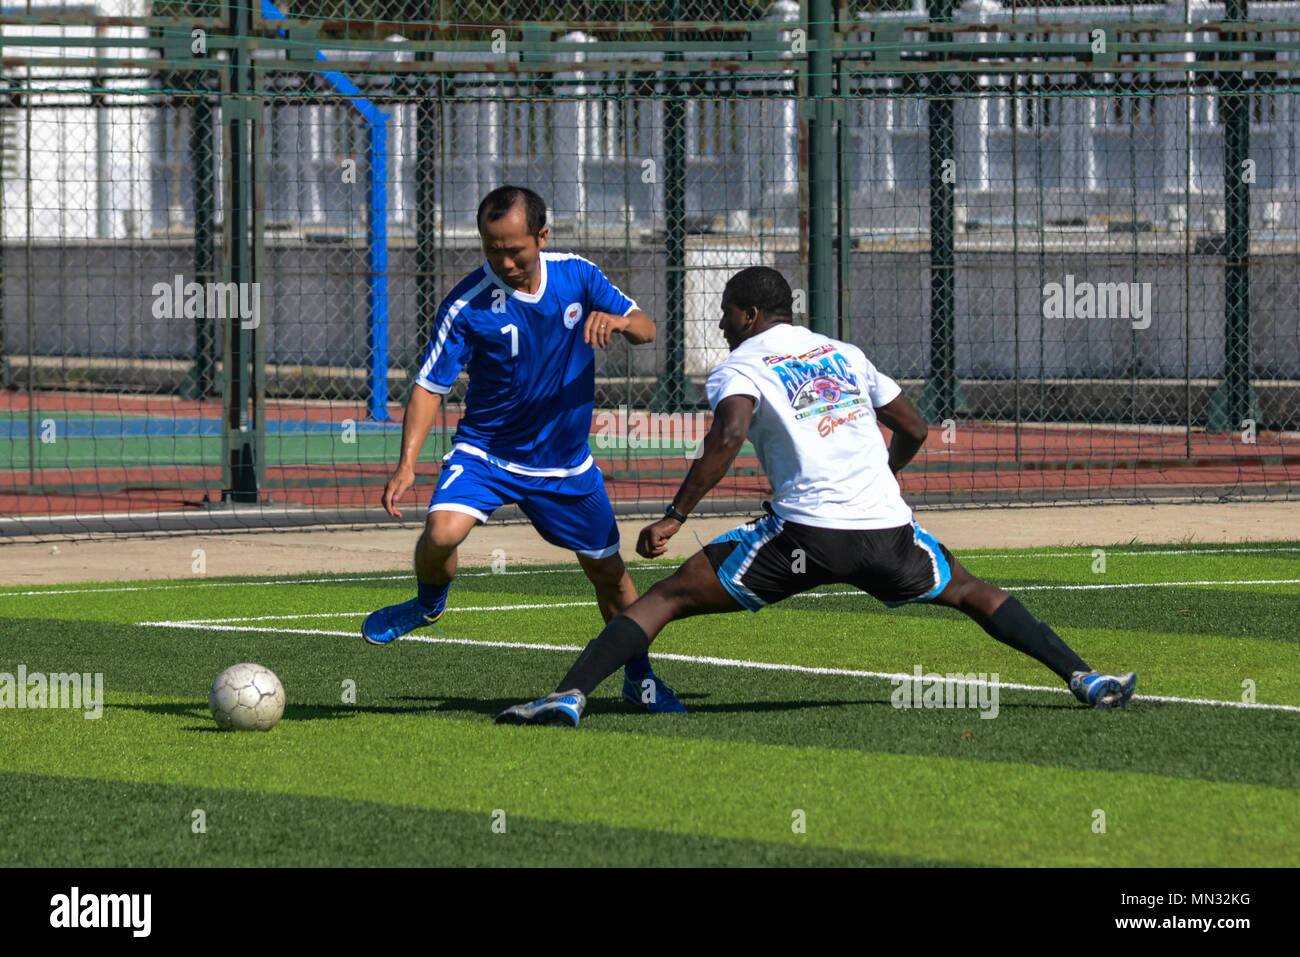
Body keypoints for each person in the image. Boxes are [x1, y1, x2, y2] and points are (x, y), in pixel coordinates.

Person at [496, 265, 1136, 726]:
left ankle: (570, 696)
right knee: (974, 593)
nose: (722, 325)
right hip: (887, 532)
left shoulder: (742, 363)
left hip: (803, 539)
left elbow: (731, 432)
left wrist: (675, 515)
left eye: (725, 312)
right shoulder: (844, 353)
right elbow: (914, 427)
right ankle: (1086, 677)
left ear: (749, 314)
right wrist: (881, 477)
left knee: (664, 598)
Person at [364, 185, 685, 712]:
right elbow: (429, 386)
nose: (505, 261)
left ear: (542, 235)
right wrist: (406, 463)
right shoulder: (466, 304)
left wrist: (622, 323)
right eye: (493, 249)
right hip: (486, 453)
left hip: (564, 465)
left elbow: (647, 328)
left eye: (515, 249)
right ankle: (427, 604)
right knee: (441, 533)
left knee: (609, 574)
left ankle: (641, 679)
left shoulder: (577, 275)